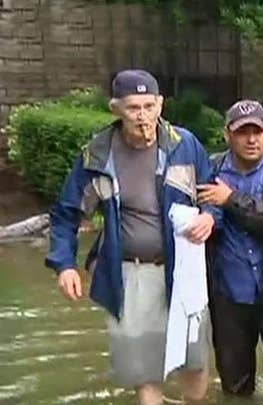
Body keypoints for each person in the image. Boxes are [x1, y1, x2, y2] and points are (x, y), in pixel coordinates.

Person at [45, 69, 219, 405]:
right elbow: (66, 214)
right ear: (115, 109)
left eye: (149, 106)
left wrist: (211, 218)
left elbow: (215, 196)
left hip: (184, 272)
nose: (143, 116)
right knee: (144, 371)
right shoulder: (96, 156)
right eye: (133, 108)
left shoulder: (185, 146)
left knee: (196, 363)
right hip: (128, 273)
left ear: (161, 105)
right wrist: (64, 265)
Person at [196, 99, 263, 399]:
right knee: (234, 387)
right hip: (228, 295)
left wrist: (231, 199)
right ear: (227, 135)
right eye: (243, 132)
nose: (252, 139)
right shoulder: (209, 168)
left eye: (257, 131)